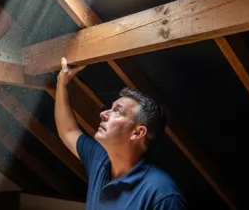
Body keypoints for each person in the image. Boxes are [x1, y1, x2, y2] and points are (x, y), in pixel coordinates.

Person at [56, 57, 186, 210]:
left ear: (137, 132)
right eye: (110, 108)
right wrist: (62, 82)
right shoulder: (100, 160)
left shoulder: (161, 194)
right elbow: (68, 131)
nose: (103, 114)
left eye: (117, 111)